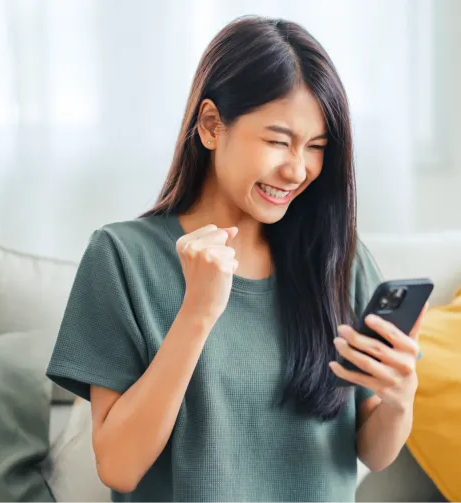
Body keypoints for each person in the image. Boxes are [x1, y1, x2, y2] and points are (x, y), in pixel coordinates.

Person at [46, 15, 426, 503]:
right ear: (210, 125)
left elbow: (373, 452)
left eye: (316, 148)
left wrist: (399, 398)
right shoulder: (122, 257)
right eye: (277, 141)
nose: (297, 169)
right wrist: (197, 312)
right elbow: (118, 466)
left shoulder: (337, 260)